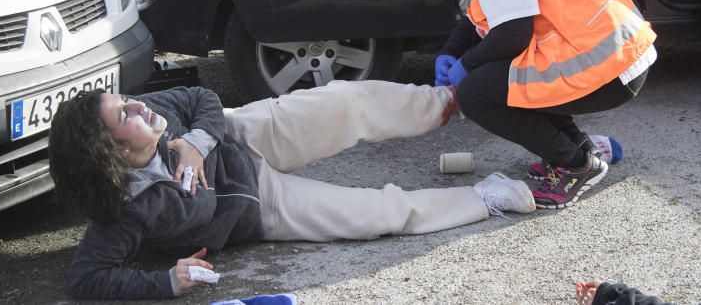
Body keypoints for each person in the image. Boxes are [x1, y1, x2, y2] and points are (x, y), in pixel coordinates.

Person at [48, 82, 535, 300]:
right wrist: (166, 283)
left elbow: (202, 98)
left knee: (344, 101)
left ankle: (454, 101)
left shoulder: (152, 109)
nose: (137, 106)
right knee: (374, 215)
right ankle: (482, 197)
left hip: (239, 135)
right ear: (110, 154)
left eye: (125, 100)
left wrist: (196, 142)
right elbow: (86, 277)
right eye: (123, 115)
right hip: (257, 205)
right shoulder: (127, 210)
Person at [392, 0, 657, 210]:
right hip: (614, 56)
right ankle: (577, 149)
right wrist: (449, 53)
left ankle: (575, 165)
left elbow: (512, 36)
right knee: (500, 75)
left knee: (478, 93)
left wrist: (466, 65)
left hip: (610, 64)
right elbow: (483, 16)